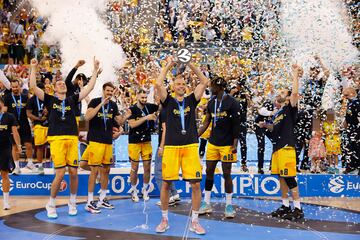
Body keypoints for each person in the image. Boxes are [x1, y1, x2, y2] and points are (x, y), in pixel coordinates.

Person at [29, 57, 100, 219]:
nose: (62, 84)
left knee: (74, 172)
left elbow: (89, 88)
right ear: (53, 89)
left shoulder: (72, 99)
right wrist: (33, 68)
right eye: (58, 83)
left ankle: (72, 202)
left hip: (71, 138)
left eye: (63, 83)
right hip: (56, 139)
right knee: (60, 174)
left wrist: (95, 70)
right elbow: (33, 87)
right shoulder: (50, 100)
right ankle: (51, 203)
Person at [155, 57, 209, 235]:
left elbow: (204, 81)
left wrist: (190, 64)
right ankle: (164, 220)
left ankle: (195, 221)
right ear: (173, 87)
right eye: (177, 83)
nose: (180, 86)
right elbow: (157, 83)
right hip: (171, 147)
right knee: (165, 184)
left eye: (183, 83)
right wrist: (169, 65)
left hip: (190, 146)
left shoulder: (192, 99)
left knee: (195, 185)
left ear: (185, 86)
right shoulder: (168, 101)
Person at [259, 64, 304, 220]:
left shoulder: (290, 108)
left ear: (289, 96)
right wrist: (265, 125)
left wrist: (295, 75)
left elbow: (295, 92)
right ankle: (285, 206)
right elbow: (274, 129)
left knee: (290, 177)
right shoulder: (277, 113)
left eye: (284, 92)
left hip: (286, 148)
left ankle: (298, 208)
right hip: (277, 149)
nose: (281, 93)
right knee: (281, 178)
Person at [82, 82, 130, 213]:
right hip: (96, 141)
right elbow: (87, 117)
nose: (109, 93)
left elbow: (119, 122)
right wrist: (101, 104)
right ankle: (90, 202)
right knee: (94, 171)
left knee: (106, 170)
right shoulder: (94, 101)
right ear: (103, 91)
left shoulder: (113, 105)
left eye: (111, 91)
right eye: (107, 90)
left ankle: (102, 198)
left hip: (108, 141)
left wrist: (125, 117)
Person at [198, 76, 241, 218]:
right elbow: (206, 123)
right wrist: (194, 136)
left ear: (219, 87)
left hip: (227, 145)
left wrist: (234, 144)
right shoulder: (211, 103)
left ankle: (229, 205)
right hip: (213, 143)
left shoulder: (233, 103)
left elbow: (236, 125)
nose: (210, 88)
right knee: (209, 171)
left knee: (226, 173)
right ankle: (206, 202)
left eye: (212, 86)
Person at [127, 89, 158, 202]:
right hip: (134, 142)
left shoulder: (149, 107)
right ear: (137, 97)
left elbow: (160, 105)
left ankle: (145, 190)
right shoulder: (131, 109)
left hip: (147, 141)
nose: (144, 100)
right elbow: (132, 124)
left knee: (147, 168)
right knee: (134, 168)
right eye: (142, 98)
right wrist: (146, 117)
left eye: (145, 98)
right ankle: (134, 190)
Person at [3, 79, 33, 174]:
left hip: (25, 124)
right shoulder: (7, 98)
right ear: (11, 87)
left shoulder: (25, 97)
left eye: (16, 86)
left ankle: (30, 163)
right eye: (13, 87)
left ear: (19, 86)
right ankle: (16, 166)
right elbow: (5, 111)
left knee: (28, 145)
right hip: (13, 126)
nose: (15, 88)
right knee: (14, 146)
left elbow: (29, 111)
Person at [154, 105, 181, 207]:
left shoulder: (164, 111)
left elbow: (165, 129)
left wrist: (161, 146)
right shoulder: (172, 109)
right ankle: (174, 194)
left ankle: (167, 197)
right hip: (173, 144)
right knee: (167, 171)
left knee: (159, 171)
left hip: (165, 145)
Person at [0, 96, 21, 210]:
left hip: (4, 149)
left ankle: (6, 202)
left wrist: (18, 145)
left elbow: (15, 132)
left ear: (2, 104)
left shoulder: (9, 116)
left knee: (4, 174)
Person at [26, 82, 49, 174]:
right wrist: (38, 118)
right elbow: (28, 114)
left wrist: (48, 111)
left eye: (41, 90)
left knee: (53, 144)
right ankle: (40, 166)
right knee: (40, 146)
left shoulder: (47, 98)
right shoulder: (31, 100)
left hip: (50, 124)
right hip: (38, 124)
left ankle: (56, 165)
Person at [342, 87, 360, 174]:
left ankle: (353, 166)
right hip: (352, 129)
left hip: (356, 129)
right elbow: (347, 118)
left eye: (346, 95)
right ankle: (351, 166)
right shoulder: (350, 103)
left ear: (352, 93)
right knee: (351, 148)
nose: (344, 97)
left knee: (356, 148)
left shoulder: (355, 103)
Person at [323, 109, 341, 174]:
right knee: (329, 154)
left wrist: (332, 132)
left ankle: (336, 167)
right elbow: (324, 132)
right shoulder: (324, 122)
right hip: (328, 140)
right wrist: (329, 132)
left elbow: (338, 131)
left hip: (335, 140)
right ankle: (330, 167)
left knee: (336, 154)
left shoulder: (336, 122)